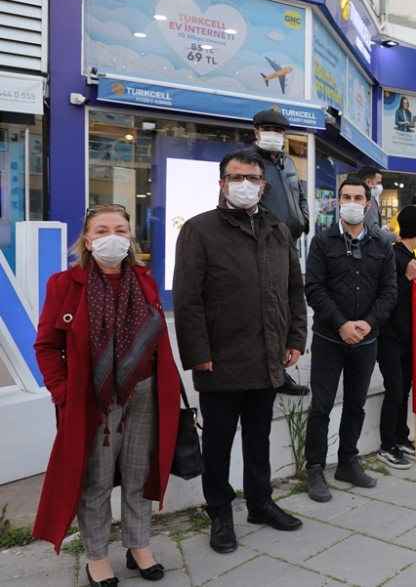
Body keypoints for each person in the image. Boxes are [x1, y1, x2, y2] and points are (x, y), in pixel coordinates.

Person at [33, 205, 180, 586]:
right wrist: (63, 392)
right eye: (101, 230)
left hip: (144, 392)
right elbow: (47, 346)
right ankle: (97, 556)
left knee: (137, 475)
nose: (111, 236)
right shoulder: (64, 284)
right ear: (87, 239)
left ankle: (138, 546)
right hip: (93, 400)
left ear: (130, 237)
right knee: (95, 481)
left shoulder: (144, 280)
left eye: (119, 229)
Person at [173, 149, 308, 554]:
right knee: (217, 442)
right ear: (222, 182)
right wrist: (198, 353)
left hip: (268, 354)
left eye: (253, 178)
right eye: (237, 177)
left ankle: (260, 502)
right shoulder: (199, 230)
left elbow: (293, 290)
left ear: (264, 185)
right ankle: (220, 511)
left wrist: (295, 338)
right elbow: (187, 299)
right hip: (220, 357)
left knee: (258, 436)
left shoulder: (278, 229)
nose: (245, 184)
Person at [303, 176, 397, 501]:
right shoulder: (321, 242)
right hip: (329, 339)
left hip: (366, 342)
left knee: (355, 405)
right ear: (338, 202)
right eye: (347, 197)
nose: (352, 203)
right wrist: (341, 323)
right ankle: (314, 468)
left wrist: (368, 324)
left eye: (359, 197)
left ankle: (347, 461)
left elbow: (389, 292)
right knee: (322, 407)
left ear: (368, 205)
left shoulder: (381, 246)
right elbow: (314, 288)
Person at [251, 109, 311, 397]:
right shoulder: (247, 162)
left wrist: (304, 218)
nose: (273, 134)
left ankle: (279, 369)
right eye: (267, 129)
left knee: (287, 303)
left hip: (290, 242)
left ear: (286, 135)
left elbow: (299, 193)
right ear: (256, 132)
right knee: (265, 306)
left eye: (279, 130)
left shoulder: (288, 162)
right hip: (262, 245)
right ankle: (266, 370)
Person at [377, 205, 416, 470]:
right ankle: (386, 446)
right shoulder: (393, 257)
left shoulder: (413, 259)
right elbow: (387, 299)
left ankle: (401, 437)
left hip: (409, 337)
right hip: (389, 337)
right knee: (395, 391)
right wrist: (408, 278)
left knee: (405, 390)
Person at [357, 165, 384, 233]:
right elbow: (372, 229)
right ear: (368, 182)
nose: (380, 186)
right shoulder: (368, 199)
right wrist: (394, 236)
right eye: (378, 183)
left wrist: (382, 229)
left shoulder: (358, 198)